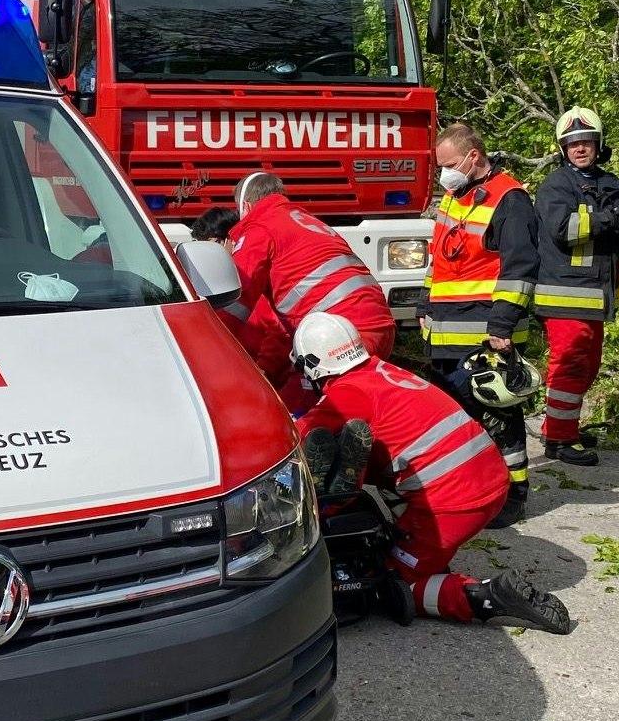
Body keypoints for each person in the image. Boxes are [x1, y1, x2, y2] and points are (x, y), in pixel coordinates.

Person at [292, 312, 571, 633]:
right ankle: (415, 545)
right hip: (492, 480)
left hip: (454, 506)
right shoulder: (385, 371)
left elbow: (297, 437)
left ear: (312, 366)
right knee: (381, 467)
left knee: (388, 583)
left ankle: (490, 596)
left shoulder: (345, 395)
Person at [422, 123, 541, 528]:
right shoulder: (454, 196)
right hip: (444, 329)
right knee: (456, 415)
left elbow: (520, 268)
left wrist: (504, 324)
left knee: (498, 414)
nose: (445, 174)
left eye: (450, 165)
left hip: (486, 329)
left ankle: (513, 494)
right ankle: (472, 486)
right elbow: (437, 259)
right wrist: (425, 301)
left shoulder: (511, 199)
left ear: (474, 156)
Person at [529, 107, 619, 466]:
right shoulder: (556, 185)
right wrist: (609, 218)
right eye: (572, 144)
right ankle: (559, 439)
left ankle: (565, 427)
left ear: (599, 146)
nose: (580, 149)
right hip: (565, 294)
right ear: (562, 149)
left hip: (596, 295)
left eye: (586, 142)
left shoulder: (611, 183)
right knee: (569, 365)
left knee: (588, 365)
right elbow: (563, 231)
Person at [225, 172, 395, 410]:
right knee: (356, 409)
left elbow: (234, 297)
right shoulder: (307, 223)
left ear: (245, 206)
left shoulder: (259, 228)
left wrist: (207, 344)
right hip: (376, 326)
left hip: (338, 338)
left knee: (299, 420)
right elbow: (280, 323)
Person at [195, 207, 293, 391]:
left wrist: (263, 372)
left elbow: (278, 333)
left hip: (262, 379)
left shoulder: (255, 280)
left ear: (230, 241)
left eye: (213, 246)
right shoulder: (212, 282)